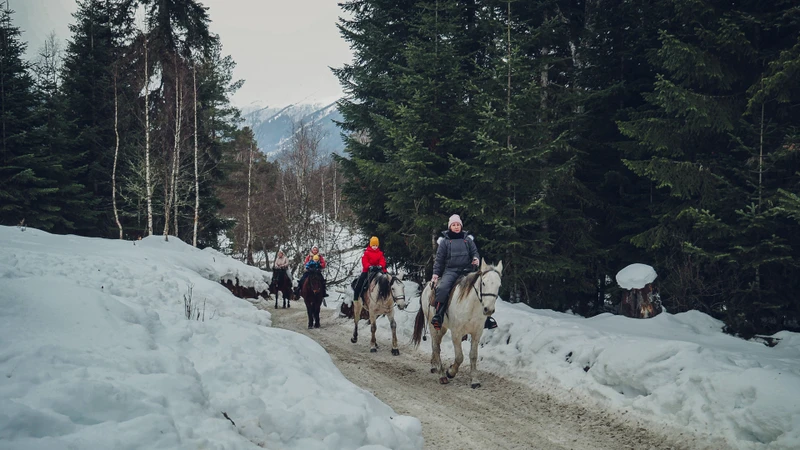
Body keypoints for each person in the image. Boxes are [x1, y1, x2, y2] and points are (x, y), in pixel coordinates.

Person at [431, 214, 497, 330]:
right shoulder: (445, 242)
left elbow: (475, 252)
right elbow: (439, 260)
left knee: (481, 287)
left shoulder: (468, 240)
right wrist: (436, 274)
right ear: (450, 227)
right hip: (451, 271)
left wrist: (476, 259)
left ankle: (486, 319)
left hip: (467, 271)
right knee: (442, 288)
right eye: (453, 225)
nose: (456, 227)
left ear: (461, 226)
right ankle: (439, 314)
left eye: (458, 225)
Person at [353, 236, 387, 303]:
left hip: (378, 269)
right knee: (361, 280)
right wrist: (369, 266)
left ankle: (387, 294)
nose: (375, 247)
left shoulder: (380, 253)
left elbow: (382, 261)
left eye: (376, 245)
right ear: (371, 245)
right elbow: (364, 261)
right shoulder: (367, 253)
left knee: (387, 278)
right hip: (368, 270)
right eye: (373, 245)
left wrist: (380, 265)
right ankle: (356, 295)